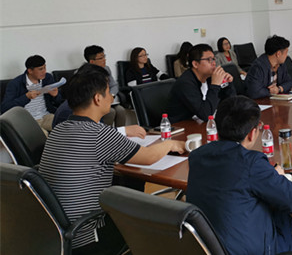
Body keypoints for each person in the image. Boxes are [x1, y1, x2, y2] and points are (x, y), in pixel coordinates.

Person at [39, 64, 185, 254]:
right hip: (88, 234)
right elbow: (149, 157)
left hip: (56, 232)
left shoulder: (59, 129)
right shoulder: (98, 134)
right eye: (108, 92)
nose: (112, 97)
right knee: (159, 224)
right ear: (97, 98)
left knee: (131, 187)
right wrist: (171, 144)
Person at [187, 95, 292, 255]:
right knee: (290, 240)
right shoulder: (251, 163)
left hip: (206, 246)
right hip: (250, 249)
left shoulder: (196, 156)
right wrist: (278, 177)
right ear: (252, 134)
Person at [165, 43, 235, 123]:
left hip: (200, 123)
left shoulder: (209, 78)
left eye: (213, 59)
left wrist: (228, 84)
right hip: (181, 126)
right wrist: (215, 85)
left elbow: (230, 103)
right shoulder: (185, 83)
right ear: (195, 64)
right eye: (209, 60)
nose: (214, 63)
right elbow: (205, 114)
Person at [1, 55, 62, 132]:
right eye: (40, 69)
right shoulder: (15, 84)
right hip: (28, 120)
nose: (44, 71)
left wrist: (55, 96)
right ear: (30, 71)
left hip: (46, 115)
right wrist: (26, 97)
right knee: (43, 135)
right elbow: (5, 108)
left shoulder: (47, 78)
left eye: (45, 67)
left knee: (64, 128)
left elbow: (59, 101)